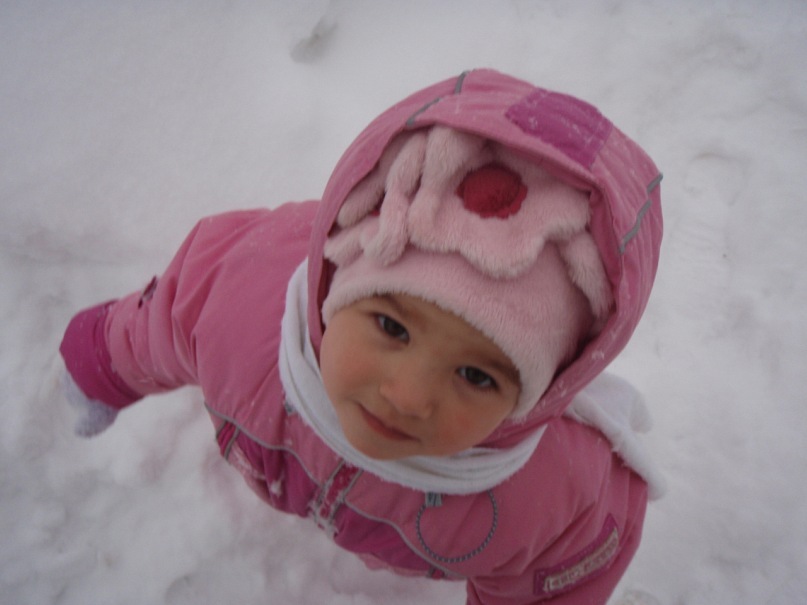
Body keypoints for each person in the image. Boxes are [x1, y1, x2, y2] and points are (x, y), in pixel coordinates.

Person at [59, 69, 665, 604]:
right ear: (337, 287)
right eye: (391, 326)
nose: (407, 396)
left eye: (477, 376)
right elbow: (162, 319)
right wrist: (99, 366)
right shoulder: (239, 305)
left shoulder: (548, 500)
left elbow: (565, 577)